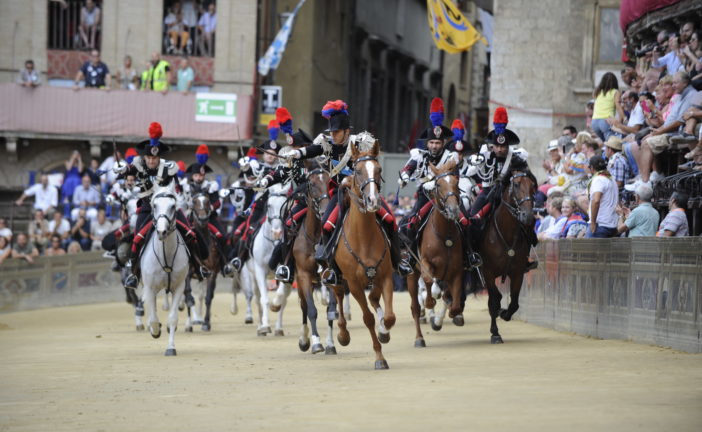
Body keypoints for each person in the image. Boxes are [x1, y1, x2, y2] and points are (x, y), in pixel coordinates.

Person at [283, 99, 412, 284]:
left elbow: (370, 164)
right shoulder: (327, 145)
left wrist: (352, 179)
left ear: (346, 131)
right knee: (327, 225)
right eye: (332, 132)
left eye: (337, 132)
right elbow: (312, 150)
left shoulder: (359, 144)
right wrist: (295, 154)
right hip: (339, 194)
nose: (334, 136)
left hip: (364, 193)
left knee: (390, 219)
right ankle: (331, 268)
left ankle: (398, 261)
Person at [113, 122, 210, 289]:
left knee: (190, 233)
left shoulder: (168, 169)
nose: (151, 161)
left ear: (159, 157)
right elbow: (126, 173)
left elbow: (177, 188)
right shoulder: (137, 166)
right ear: (145, 157)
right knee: (137, 239)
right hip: (147, 209)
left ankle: (198, 266)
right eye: (149, 158)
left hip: (168, 209)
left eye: (154, 158)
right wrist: (120, 170)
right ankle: (134, 274)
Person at [467, 107, 538, 270]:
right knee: (471, 220)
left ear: (508, 145)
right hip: (488, 193)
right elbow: (468, 172)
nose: (500, 149)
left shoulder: (516, 157)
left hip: (510, 193)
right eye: (497, 147)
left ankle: (526, 255)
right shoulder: (483, 154)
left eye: (503, 146)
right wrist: (476, 162)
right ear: (492, 145)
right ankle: (471, 254)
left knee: (527, 219)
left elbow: (530, 177)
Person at [398, 98, 464, 268]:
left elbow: (455, 178)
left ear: (443, 143)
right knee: (410, 222)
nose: (434, 146)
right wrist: (405, 177)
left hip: (447, 195)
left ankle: (469, 255)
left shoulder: (450, 157)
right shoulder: (420, 155)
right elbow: (408, 168)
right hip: (426, 196)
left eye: (437, 142)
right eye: (432, 142)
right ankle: (410, 258)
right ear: (427, 143)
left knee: (465, 221)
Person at [254, 108, 317, 283]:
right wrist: (266, 181)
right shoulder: (294, 163)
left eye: (296, 148)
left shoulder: (317, 161)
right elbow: (279, 173)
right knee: (289, 225)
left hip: (321, 201)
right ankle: (286, 267)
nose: (293, 151)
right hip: (304, 203)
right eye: (292, 148)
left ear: (305, 148)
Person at [183, 144, 234, 277]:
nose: (198, 178)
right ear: (192, 176)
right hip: (192, 218)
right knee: (182, 237)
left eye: (200, 175)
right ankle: (184, 264)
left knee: (222, 236)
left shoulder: (211, 185)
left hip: (209, 218)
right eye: (196, 176)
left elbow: (217, 202)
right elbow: (183, 202)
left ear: (204, 175)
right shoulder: (186, 187)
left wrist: (209, 208)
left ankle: (224, 264)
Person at [586, 155, 619, 238]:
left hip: (600, 225)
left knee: (588, 251)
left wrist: (593, 222)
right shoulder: (611, 178)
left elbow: (596, 200)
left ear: (592, 168)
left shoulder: (599, 179)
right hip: (611, 225)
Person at [591, 72, 625, 142]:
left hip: (594, 122)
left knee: (605, 144)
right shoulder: (615, 92)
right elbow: (618, 106)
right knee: (611, 144)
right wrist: (623, 118)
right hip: (606, 121)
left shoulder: (597, 92)